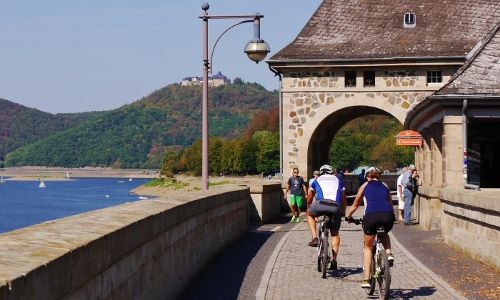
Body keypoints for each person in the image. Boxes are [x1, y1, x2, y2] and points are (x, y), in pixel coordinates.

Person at [345, 167, 395, 288]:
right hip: (387, 216)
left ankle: (366, 279)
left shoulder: (364, 186)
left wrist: (348, 216)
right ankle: (388, 254)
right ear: (379, 176)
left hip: (371, 216)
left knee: (368, 247)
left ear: (367, 176)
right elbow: (390, 203)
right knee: (384, 233)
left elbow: (356, 204)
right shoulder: (385, 186)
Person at [307, 164, 347, 271]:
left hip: (320, 204)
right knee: (335, 233)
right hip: (335, 206)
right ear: (331, 172)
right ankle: (334, 260)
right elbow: (343, 198)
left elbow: (310, 195)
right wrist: (343, 211)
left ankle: (315, 237)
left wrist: (308, 207)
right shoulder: (338, 180)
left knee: (309, 214)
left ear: (320, 172)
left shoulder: (317, 180)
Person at [306, 170, 320, 238]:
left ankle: (316, 216)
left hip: (319, 196)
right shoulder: (311, 180)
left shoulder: (320, 180)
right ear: (313, 175)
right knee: (313, 205)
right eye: (316, 174)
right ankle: (315, 217)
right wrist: (308, 194)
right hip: (313, 195)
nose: (317, 175)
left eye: (318, 174)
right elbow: (309, 188)